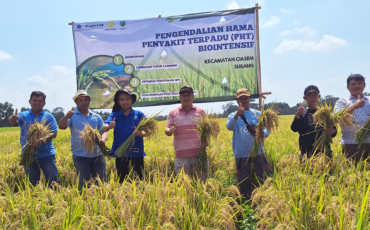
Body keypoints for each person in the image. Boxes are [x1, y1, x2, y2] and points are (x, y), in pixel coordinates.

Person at [226, 88, 272, 201]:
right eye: (240, 98)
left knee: (266, 176)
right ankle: (248, 202)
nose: (243, 100)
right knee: (244, 180)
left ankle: (267, 198)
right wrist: (237, 115)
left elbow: (267, 129)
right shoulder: (233, 115)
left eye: (245, 97)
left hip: (258, 151)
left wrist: (264, 134)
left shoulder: (258, 113)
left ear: (250, 99)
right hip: (241, 153)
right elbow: (229, 127)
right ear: (237, 101)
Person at [8, 91, 60, 188]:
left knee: (53, 179)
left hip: (47, 154)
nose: (37, 103)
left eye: (40, 101)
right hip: (28, 154)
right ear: (30, 101)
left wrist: (42, 139)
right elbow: (13, 122)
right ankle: (35, 198)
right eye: (34, 100)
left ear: (44, 103)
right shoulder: (22, 115)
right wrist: (12, 118)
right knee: (32, 183)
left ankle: (56, 198)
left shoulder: (49, 116)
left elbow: (54, 133)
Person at [59, 90, 107, 191]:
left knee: (101, 183)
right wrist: (66, 117)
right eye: (80, 100)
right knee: (84, 184)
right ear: (76, 102)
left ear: (89, 101)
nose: (83, 102)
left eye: (86, 100)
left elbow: (103, 131)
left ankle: (100, 202)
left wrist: (103, 140)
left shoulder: (96, 116)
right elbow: (62, 126)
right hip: (80, 156)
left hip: (97, 155)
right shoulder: (72, 116)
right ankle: (84, 203)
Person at [103, 89, 149, 182]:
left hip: (137, 152)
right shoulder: (114, 115)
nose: (125, 102)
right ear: (118, 102)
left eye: (127, 99)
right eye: (122, 99)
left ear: (131, 100)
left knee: (139, 179)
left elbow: (149, 130)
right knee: (122, 178)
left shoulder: (139, 114)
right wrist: (109, 126)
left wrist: (142, 134)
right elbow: (104, 127)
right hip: (121, 152)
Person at [165, 85, 208, 182]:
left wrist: (206, 141)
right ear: (180, 98)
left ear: (193, 97)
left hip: (200, 154)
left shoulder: (201, 112)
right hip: (181, 156)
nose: (186, 97)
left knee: (202, 184)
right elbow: (167, 129)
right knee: (184, 186)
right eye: (183, 95)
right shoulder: (173, 113)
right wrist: (169, 130)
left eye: (189, 95)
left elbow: (207, 130)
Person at [291, 85, 337, 159]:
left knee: (327, 170)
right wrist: (298, 115)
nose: (313, 98)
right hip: (306, 152)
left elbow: (334, 132)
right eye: (309, 95)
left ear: (319, 96)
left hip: (324, 151)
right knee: (306, 170)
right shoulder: (301, 113)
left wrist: (331, 131)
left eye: (315, 95)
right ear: (304, 98)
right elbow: (294, 128)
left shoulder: (326, 113)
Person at [334, 74, 370, 162]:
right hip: (351, 144)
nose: (356, 86)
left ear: (364, 85)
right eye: (353, 84)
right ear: (348, 87)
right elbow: (337, 118)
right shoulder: (342, 101)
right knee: (353, 171)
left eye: (359, 83)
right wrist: (354, 106)